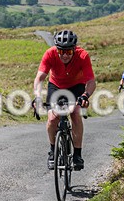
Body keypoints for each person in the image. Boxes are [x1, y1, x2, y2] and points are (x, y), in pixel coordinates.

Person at [32, 29, 96, 171]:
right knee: (52, 119)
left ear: (74, 49)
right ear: (57, 49)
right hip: (56, 86)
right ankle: (52, 151)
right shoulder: (50, 54)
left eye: (69, 52)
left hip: (76, 87)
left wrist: (85, 95)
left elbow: (91, 81)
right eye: (61, 52)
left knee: (75, 113)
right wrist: (37, 97)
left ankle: (77, 155)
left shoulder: (83, 55)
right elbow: (40, 78)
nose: (65, 55)